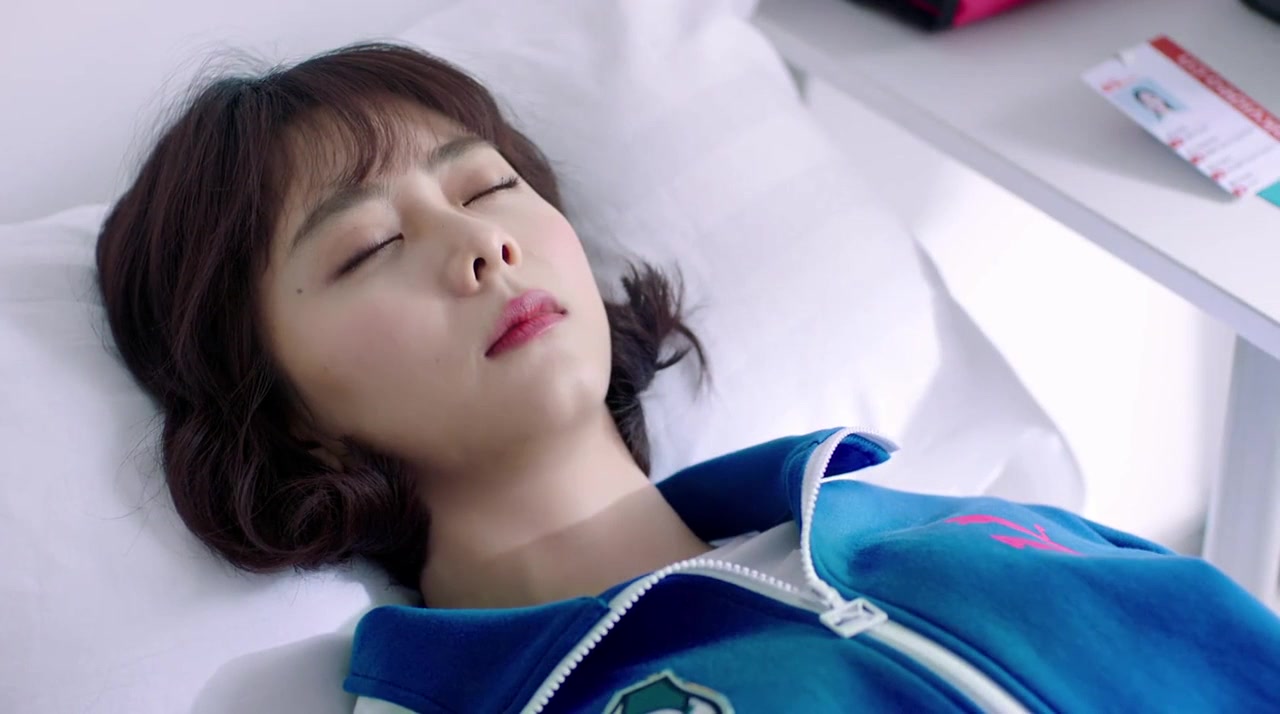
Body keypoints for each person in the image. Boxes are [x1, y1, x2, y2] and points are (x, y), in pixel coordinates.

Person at [96, 43, 1280, 713]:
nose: (481, 245)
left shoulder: (943, 524)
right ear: (285, 418)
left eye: (487, 187)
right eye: (367, 248)